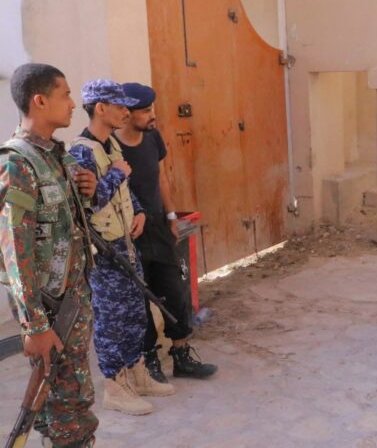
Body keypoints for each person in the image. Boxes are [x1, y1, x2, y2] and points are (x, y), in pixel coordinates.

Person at [1, 63, 99, 446]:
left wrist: (87, 190)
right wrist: (35, 325)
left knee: (66, 398)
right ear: (40, 101)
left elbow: (64, 224)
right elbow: (15, 250)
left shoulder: (56, 156)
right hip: (51, 311)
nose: (73, 104)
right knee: (67, 406)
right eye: (66, 94)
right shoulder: (17, 164)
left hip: (73, 300)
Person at [69, 79, 174, 416]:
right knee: (112, 322)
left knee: (134, 314)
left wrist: (139, 211)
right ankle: (115, 388)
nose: (125, 112)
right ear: (100, 108)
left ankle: (137, 375)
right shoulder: (81, 152)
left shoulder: (110, 144)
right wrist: (116, 174)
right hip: (103, 253)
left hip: (126, 242)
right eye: (119, 106)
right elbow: (84, 207)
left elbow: (124, 190)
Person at [115, 82, 217, 382]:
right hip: (129, 233)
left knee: (173, 291)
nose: (152, 116)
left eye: (151, 109)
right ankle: (149, 361)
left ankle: (181, 355)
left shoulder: (152, 137)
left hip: (158, 226)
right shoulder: (109, 147)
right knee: (139, 298)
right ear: (127, 113)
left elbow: (161, 178)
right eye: (145, 110)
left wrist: (172, 216)